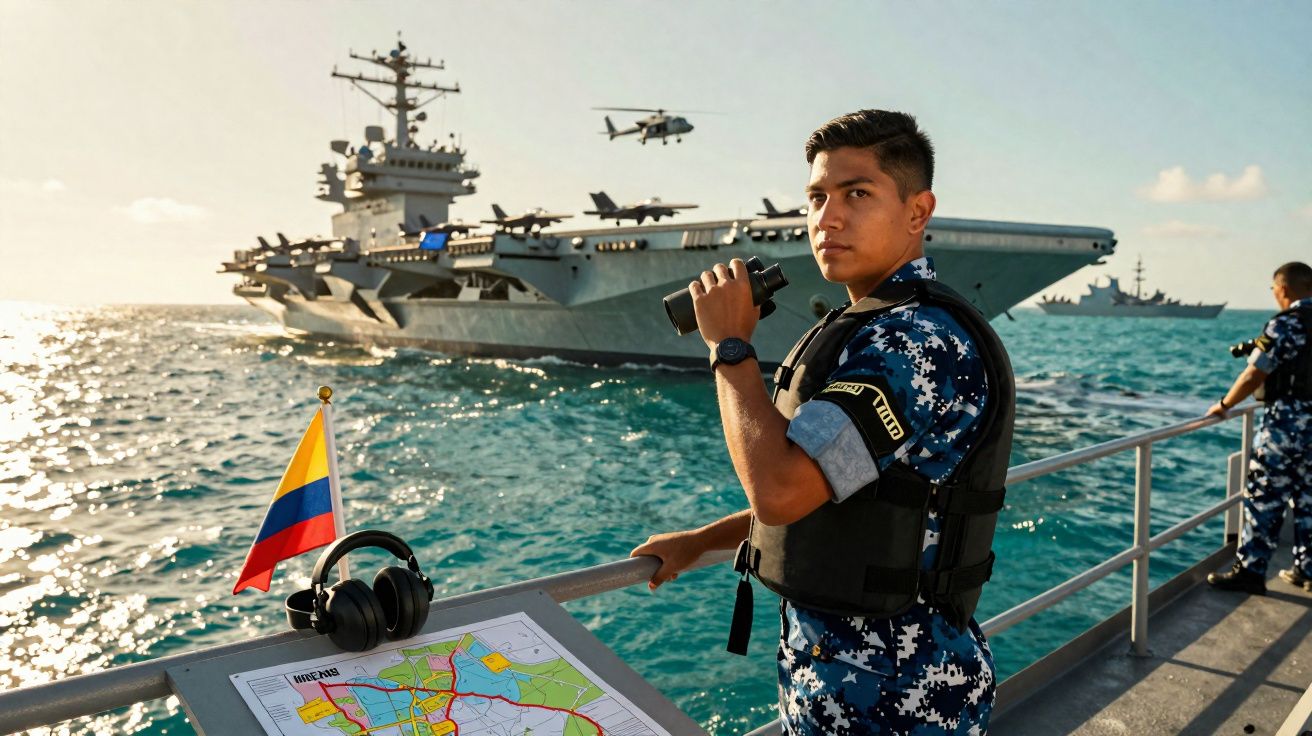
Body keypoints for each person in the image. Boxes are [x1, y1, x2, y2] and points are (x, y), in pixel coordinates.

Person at [630, 110, 1015, 734]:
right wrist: (701, 541)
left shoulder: (910, 342)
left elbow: (781, 492)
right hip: (847, 690)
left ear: (918, 212)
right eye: (817, 197)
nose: (826, 218)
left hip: (897, 700)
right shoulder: (876, 328)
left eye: (857, 194)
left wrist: (730, 347)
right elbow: (843, 496)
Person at [1206, 261, 1312, 594]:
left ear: (1283, 288)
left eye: (1274, 289)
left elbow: (1254, 374)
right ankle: (1307, 570)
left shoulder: (1285, 324)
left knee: (1265, 496)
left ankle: (1251, 572)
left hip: (1285, 425)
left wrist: (1225, 404)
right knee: (1309, 498)